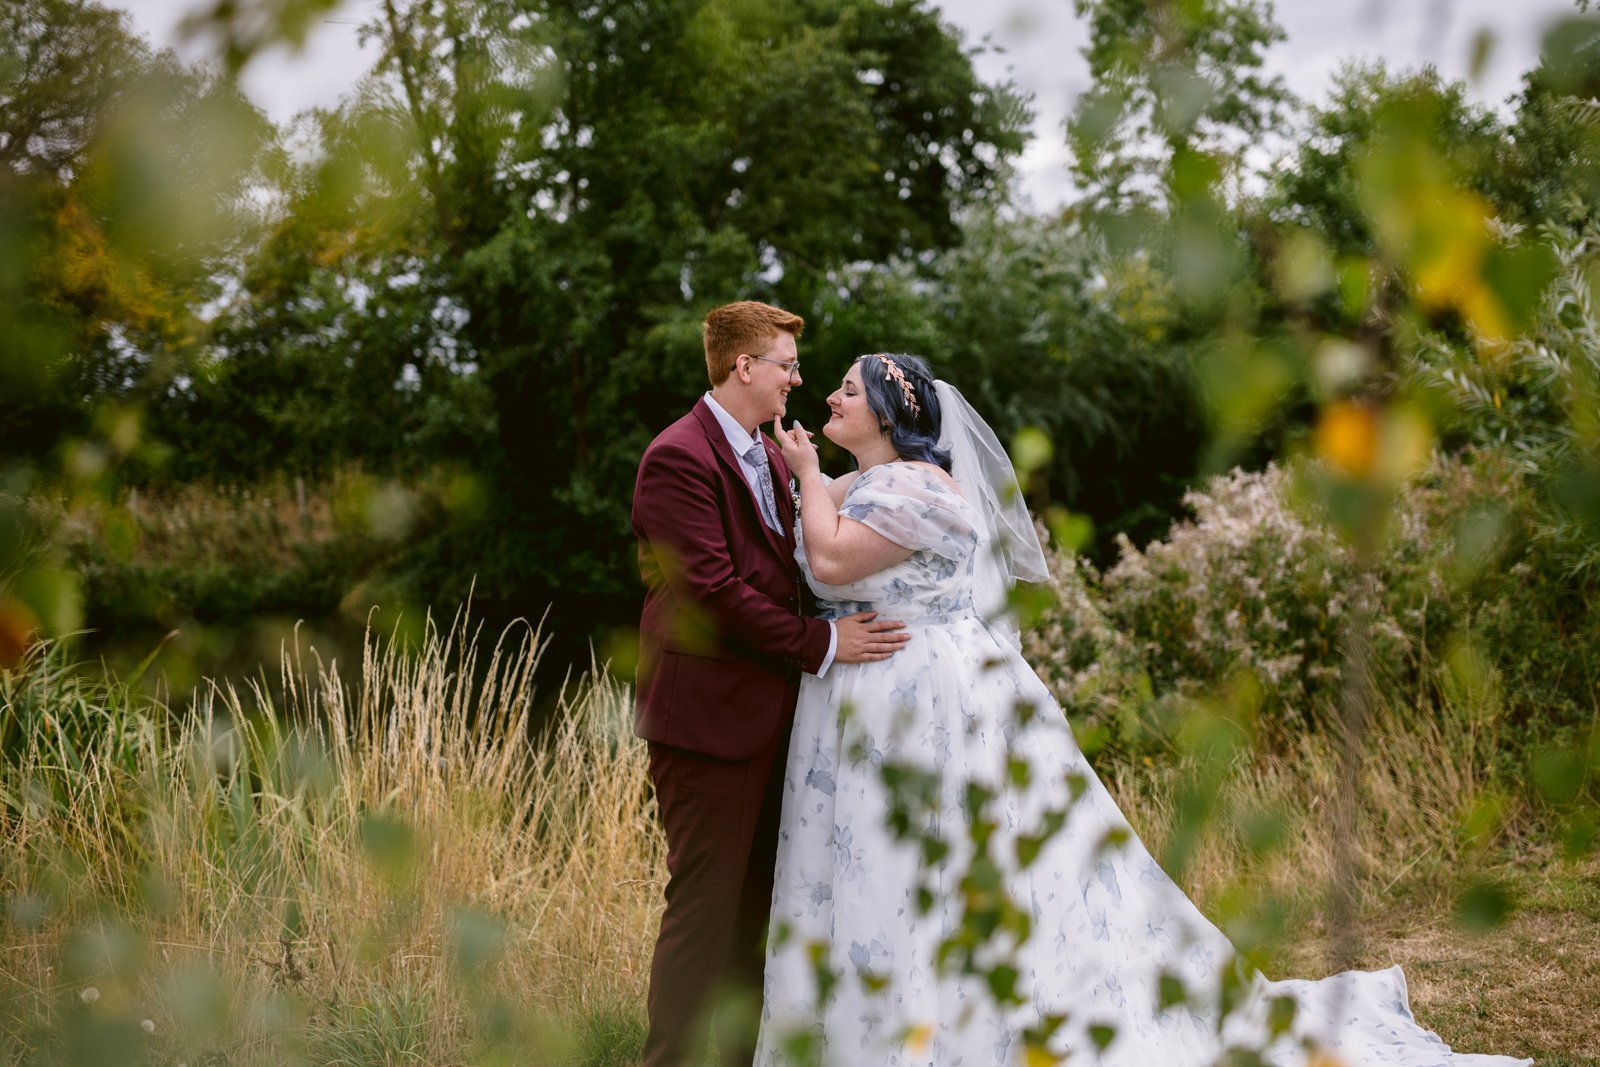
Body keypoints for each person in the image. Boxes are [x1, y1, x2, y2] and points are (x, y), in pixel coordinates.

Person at [754, 352, 1532, 1066]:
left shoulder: (921, 488)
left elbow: (827, 557)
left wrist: (805, 470)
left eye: (850, 389)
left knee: (934, 861)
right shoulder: (864, 485)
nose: (830, 395)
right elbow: (817, 543)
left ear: (890, 413)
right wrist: (812, 482)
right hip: (865, 696)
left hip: (922, 697)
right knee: (879, 867)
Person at [631, 302, 912, 1067]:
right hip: (706, 722)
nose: (797, 377)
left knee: (758, 916)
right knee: (704, 913)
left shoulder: (763, 448)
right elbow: (714, 592)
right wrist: (823, 641)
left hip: (772, 717)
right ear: (742, 366)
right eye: (786, 363)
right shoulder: (678, 456)